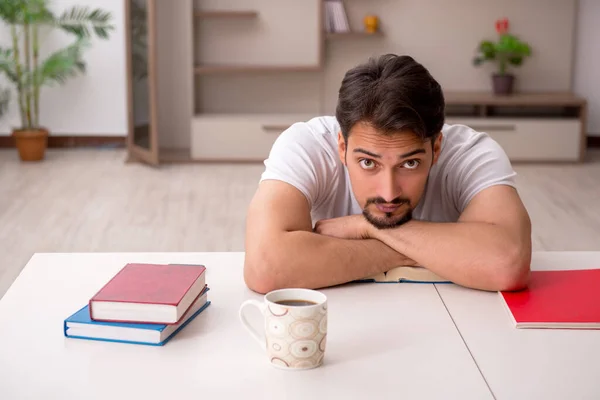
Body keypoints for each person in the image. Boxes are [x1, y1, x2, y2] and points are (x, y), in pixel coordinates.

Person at [243, 54, 532, 294]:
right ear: (342, 147)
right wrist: (417, 250)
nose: (389, 192)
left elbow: (506, 264)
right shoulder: (307, 144)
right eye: (369, 163)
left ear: (437, 148)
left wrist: (367, 227)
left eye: (410, 164)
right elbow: (265, 268)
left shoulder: (471, 153)